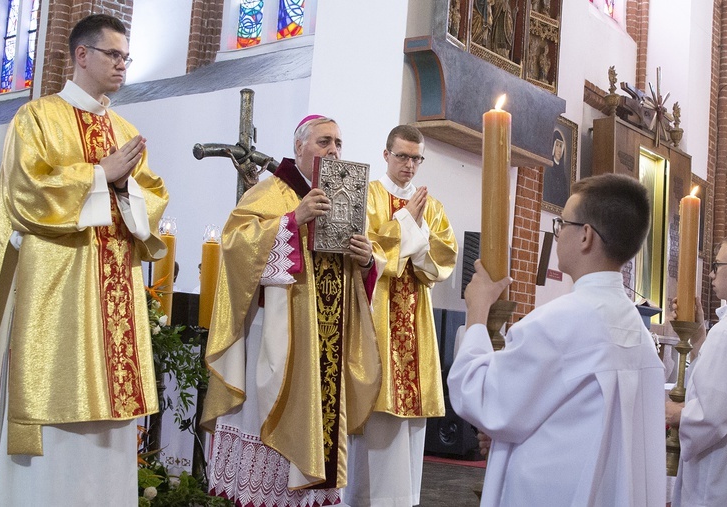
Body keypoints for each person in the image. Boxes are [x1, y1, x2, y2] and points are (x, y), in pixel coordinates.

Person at [0, 13, 168, 505]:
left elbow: (155, 198)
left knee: (110, 433)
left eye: (127, 57)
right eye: (114, 55)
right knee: (56, 422)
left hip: (116, 305)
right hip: (58, 300)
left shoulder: (126, 129)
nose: (122, 66)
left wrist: (125, 188)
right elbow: (27, 193)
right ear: (82, 55)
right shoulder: (37, 117)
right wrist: (100, 175)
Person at [448, 173, 666, 506]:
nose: (558, 233)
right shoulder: (640, 336)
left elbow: (480, 397)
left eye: (562, 224)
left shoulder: (558, 323)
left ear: (586, 237)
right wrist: (510, 437)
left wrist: (478, 311)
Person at [201, 115, 381, 506]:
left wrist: (366, 262)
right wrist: (291, 221)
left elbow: (349, 283)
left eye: (338, 143)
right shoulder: (271, 193)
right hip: (275, 341)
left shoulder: (345, 200)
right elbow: (235, 246)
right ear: (299, 147)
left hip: (324, 350)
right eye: (323, 142)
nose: (333, 150)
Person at [344, 124, 458, 506]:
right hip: (376, 323)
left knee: (410, 428)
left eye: (416, 158)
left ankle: (404, 500)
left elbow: (439, 265)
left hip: (416, 327)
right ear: (386, 155)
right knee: (375, 417)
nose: (410, 165)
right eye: (403, 156)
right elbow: (365, 252)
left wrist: (415, 231)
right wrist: (408, 223)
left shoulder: (433, 207)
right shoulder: (367, 197)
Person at [666, 233, 727, 506]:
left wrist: (674, 413)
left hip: (717, 483)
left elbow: (708, 418)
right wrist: (698, 335)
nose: (710, 274)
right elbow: (724, 386)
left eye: (716, 266)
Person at [543, 128, 569, 208]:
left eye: (561, 146)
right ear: (553, 147)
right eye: (557, 145)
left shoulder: (563, 175)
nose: (559, 149)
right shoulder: (549, 171)